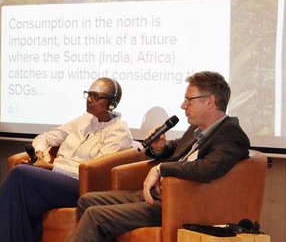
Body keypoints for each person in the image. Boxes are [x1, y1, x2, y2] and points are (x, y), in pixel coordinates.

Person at [70, 71, 251, 241]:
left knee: (95, 215)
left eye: (189, 100)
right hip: (159, 196)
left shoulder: (231, 135)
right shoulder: (197, 127)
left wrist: (161, 168)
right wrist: (160, 147)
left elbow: (207, 168)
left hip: (180, 205)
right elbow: (176, 148)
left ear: (210, 101)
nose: (183, 105)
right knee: (87, 200)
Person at [0, 77, 133, 242]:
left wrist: (51, 167)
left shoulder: (118, 132)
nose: (89, 100)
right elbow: (45, 138)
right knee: (21, 194)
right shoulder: (85, 120)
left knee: (20, 174)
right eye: (88, 94)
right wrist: (41, 153)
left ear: (111, 104)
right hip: (57, 178)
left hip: (81, 186)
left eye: (96, 97)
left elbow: (94, 173)